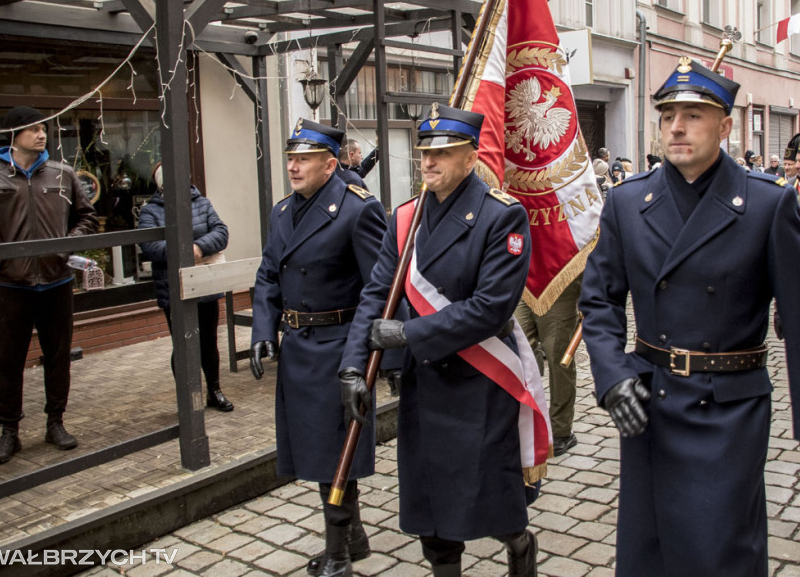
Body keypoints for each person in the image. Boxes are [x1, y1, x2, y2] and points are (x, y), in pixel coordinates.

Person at [580, 57, 800, 576]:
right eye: (668, 115)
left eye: (694, 115)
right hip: (650, 401)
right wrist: (612, 377)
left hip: (728, 408)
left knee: (720, 552)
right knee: (650, 551)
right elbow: (599, 299)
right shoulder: (628, 203)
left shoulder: (768, 206)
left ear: (725, 127)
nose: (677, 126)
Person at [341, 104, 544, 577]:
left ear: (471, 158)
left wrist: (410, 333)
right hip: (424, 384)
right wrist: (353, 366)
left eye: (443, 153)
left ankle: (519, 544)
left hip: (481, 377)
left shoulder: (502, 217)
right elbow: (376, 295)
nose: (429, 162)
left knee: (489, 494)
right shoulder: (405, 218)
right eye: (424, 152)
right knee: (433, 501)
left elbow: (491, 308)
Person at [249, 119, 387, 577]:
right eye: (290, 157)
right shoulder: (281, 211)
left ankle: (339, 554)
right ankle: (357, 537)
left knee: (335, 454)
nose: (293, 166)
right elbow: (269, 273)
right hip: (298, 348)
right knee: (315, 452)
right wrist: (263, 330)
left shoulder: (357, 210)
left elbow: (379, 289)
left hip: (338, 346)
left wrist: (380, 360)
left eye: (303, 158)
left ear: (330, 165)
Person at [0, 106, 98, 465]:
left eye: (43, 129)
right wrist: (0, 260)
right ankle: (9, 431)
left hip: (57, 282)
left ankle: (55, 423)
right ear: (14, 135)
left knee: (58, 357)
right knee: (6, 361)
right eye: (33, 130)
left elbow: (87, 217)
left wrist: (65, 248)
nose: (41, 135)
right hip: (10, 285)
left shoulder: (63, 173)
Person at [138, 163, 233, 412]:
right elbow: (150, 247)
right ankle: (188, 397)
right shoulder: (150, 211)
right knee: (183, 345)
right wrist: (184, 252)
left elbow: (221, 232)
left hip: (205, 283)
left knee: (209, 342)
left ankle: (215, 390)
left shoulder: (203, 203)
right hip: (175, 288)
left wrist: (199, 248)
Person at [514, 275, 580, 458]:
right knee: (518, 352)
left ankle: (561, 430)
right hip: (524, 283)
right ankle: (527, 421)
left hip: (559, 283)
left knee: (558, 359)